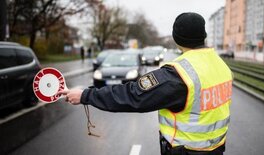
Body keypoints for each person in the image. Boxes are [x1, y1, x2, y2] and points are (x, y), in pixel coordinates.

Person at [59, 12, 233, 155]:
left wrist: (85, 95)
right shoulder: (220, 65)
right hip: (216, 149)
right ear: (203, 36)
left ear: (176, 38)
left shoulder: (179, 74)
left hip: (187, 152)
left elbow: (133, 95)